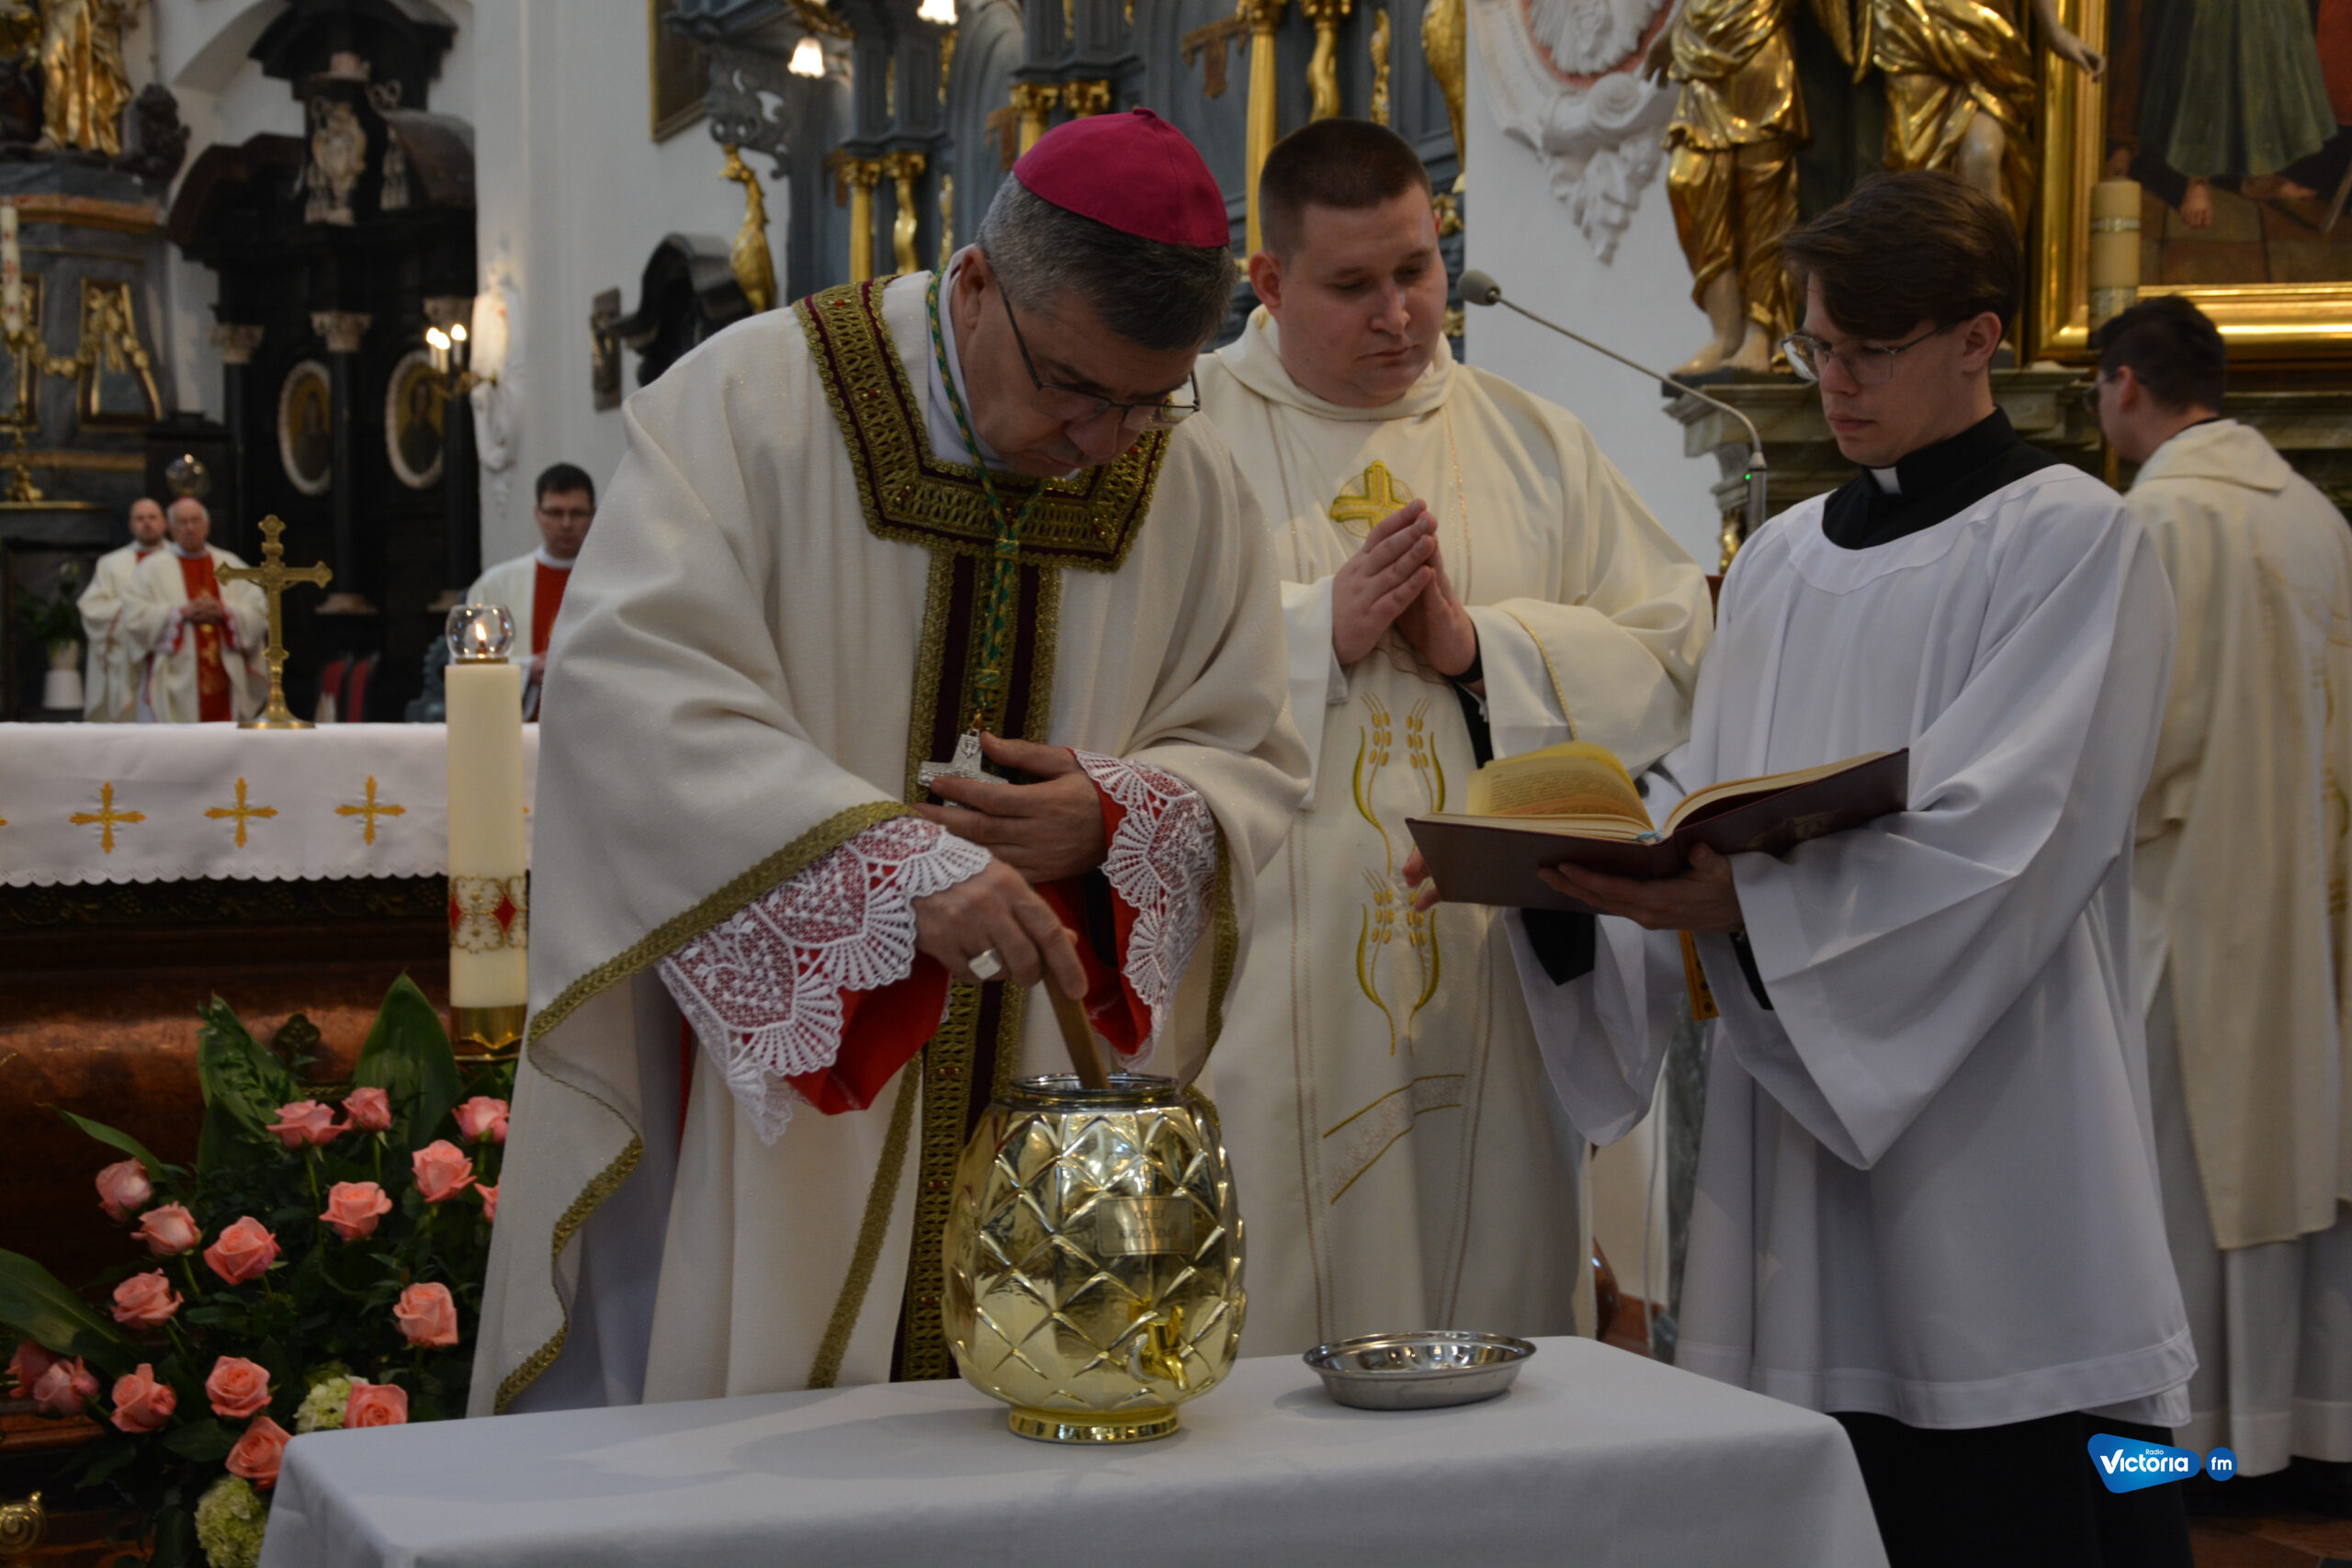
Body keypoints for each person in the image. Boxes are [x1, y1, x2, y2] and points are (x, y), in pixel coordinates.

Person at [470, 110, 1308, 1417]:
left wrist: (1118, 815)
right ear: (974, 285)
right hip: (788, 1114)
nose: (1106, 440)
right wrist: (886, 865)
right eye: (1075, 388)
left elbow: (1246, 742)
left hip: (1045, 1069)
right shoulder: (753, 408)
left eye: (1151, 400)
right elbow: (635, 694)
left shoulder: (1187, 481)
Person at [1429, 172, 2195, 1567]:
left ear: (1979, 338)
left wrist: (1751, 904)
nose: (1834, 382)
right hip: (1790, 1136)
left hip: (1997, 1122)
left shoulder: (2072, 535)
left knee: (2014, 1501)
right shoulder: (1782, 559)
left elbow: (2016, 838)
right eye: (1816, 346)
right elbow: (1705, 798)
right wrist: (1574, 887)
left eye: (1868, 351)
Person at [1195, 118, 1710, 1356]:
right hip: (1262, 983)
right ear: (1268, 282)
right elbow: (1118, 680)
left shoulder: (1535, 445)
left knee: (1494, 1295)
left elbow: (1669, 653)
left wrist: (1482, 649)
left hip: (1489, 982)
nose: (1400, 316)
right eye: (1351, 286)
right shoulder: (1185, 438)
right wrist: (1316, 630)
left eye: (1418, 269)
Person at [2096, 294, 2352, 1494]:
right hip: (2310, 896)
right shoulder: (2313, 514)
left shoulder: (2159, 517)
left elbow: (2135, 738)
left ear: (2124, 385)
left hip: (2188, 900)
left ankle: (2179, 1447)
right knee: (2292, 1151)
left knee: (2180, 1168)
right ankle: (2303, 1429)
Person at [122, 497, 266, 724]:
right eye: (182, 522)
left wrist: (225, 611)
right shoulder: (151, 568)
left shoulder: (230, 564)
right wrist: (180, 614)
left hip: (226, 672)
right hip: (174, 674)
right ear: (170, 528)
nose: (189, 528)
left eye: (195, 520)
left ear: (207, 526)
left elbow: (258, 610)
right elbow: (134, 615)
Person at [466, 463, 594, 716]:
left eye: (577, 513)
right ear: (538, 513)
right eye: (555, 512)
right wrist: (527, 669)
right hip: (520, 725)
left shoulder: (612, 582)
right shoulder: (496, 585)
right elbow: (468, 663)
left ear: (594, 515)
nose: (566, 524)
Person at [74, 495, 164, 722]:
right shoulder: (111, 563)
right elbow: (92, 607)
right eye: (140, 518)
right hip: (126, 657)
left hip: (168, 650)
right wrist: (132, 611)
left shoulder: (178, 560)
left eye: (152, 517)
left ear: (164, 522)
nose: (147, 523)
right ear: (130, 525)